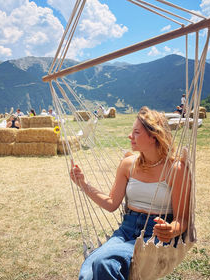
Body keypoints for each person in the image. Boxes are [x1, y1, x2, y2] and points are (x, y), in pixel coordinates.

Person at [70, 106, 189, 280]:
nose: (129, 136)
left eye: (136, 132)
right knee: (87, 273)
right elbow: (111, 203)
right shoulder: (128, 164)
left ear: (153, 136)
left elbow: (183, 219)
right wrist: (83, 183)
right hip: (126, 230)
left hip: (153, 235)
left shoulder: (176, 170)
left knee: (104, 264)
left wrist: (171, 230)